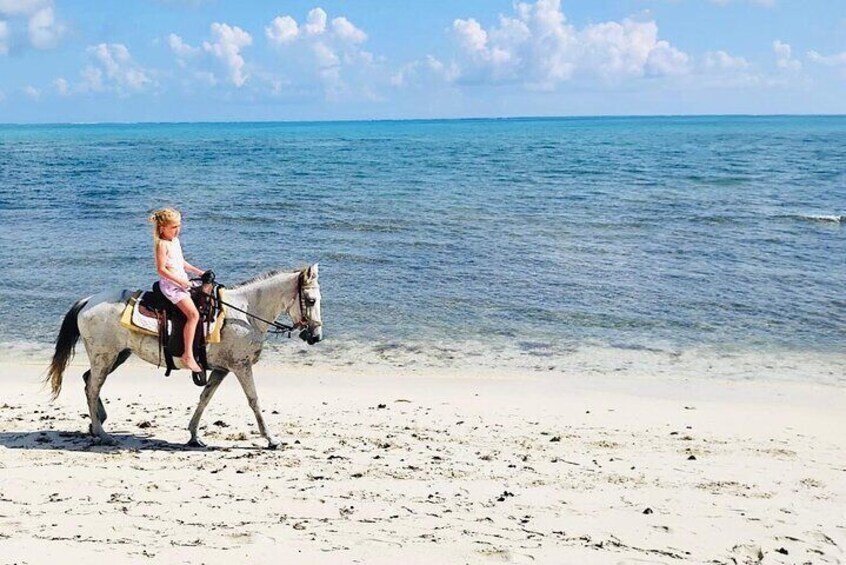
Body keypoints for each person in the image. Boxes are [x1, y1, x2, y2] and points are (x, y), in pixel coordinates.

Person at [148, 208, 206, 373]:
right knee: (193, 315)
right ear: (162, 228)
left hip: (182, 281)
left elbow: (182, 263)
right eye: (173, 227)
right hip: (171, 286)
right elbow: (161, 270)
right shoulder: (162, 244)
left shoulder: (175, 241)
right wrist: (181, 282)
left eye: (179, 226)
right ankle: (187, 355)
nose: (177, 230)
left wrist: (199, 272)